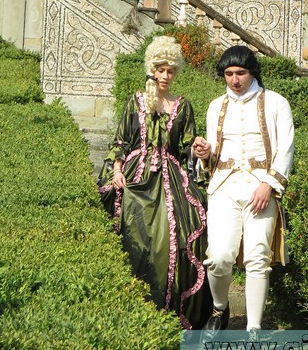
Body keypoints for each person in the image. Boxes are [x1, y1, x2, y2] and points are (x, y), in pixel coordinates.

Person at [98, 36, 211, 329]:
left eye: (170, 70)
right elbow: (121, 140)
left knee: (175, 237)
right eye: (160, 69)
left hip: (170, 177)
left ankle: (169, 307)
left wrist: (198, 147)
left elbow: (186, 145)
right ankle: (129, 305)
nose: (165, 75)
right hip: (137, 175)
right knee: (133, 235)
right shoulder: (135, 101)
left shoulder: (182, 105)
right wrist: (117, 169)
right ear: (151, 67)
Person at [193, 46, 294, 333]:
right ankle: (219, 308)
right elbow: (212, 157)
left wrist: (269, 184)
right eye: (228, 74)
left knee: (257, 257)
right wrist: (204, 154)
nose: (234, 80)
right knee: (219, 257)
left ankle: (254, 327)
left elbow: (286, 149)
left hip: (260, 186)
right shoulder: (216, 106)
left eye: (240, 73)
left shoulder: (276, 103)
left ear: (253, 72)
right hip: (223, 186)